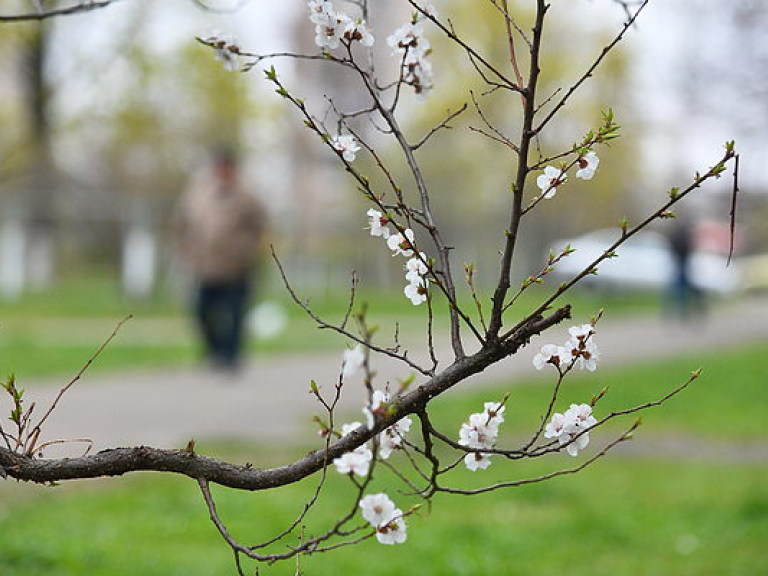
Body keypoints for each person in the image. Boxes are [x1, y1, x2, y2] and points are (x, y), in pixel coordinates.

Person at [175, 148, 267, 371]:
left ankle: (231, 357)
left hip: (237, 266)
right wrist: (187, 248)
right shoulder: (198, 194)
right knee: (201, 311)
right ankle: (214, 352)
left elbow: (260, 226)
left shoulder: (247, 197)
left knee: (235, 313)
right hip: (205, 266)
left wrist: (247, 250)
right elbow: (182, 223)